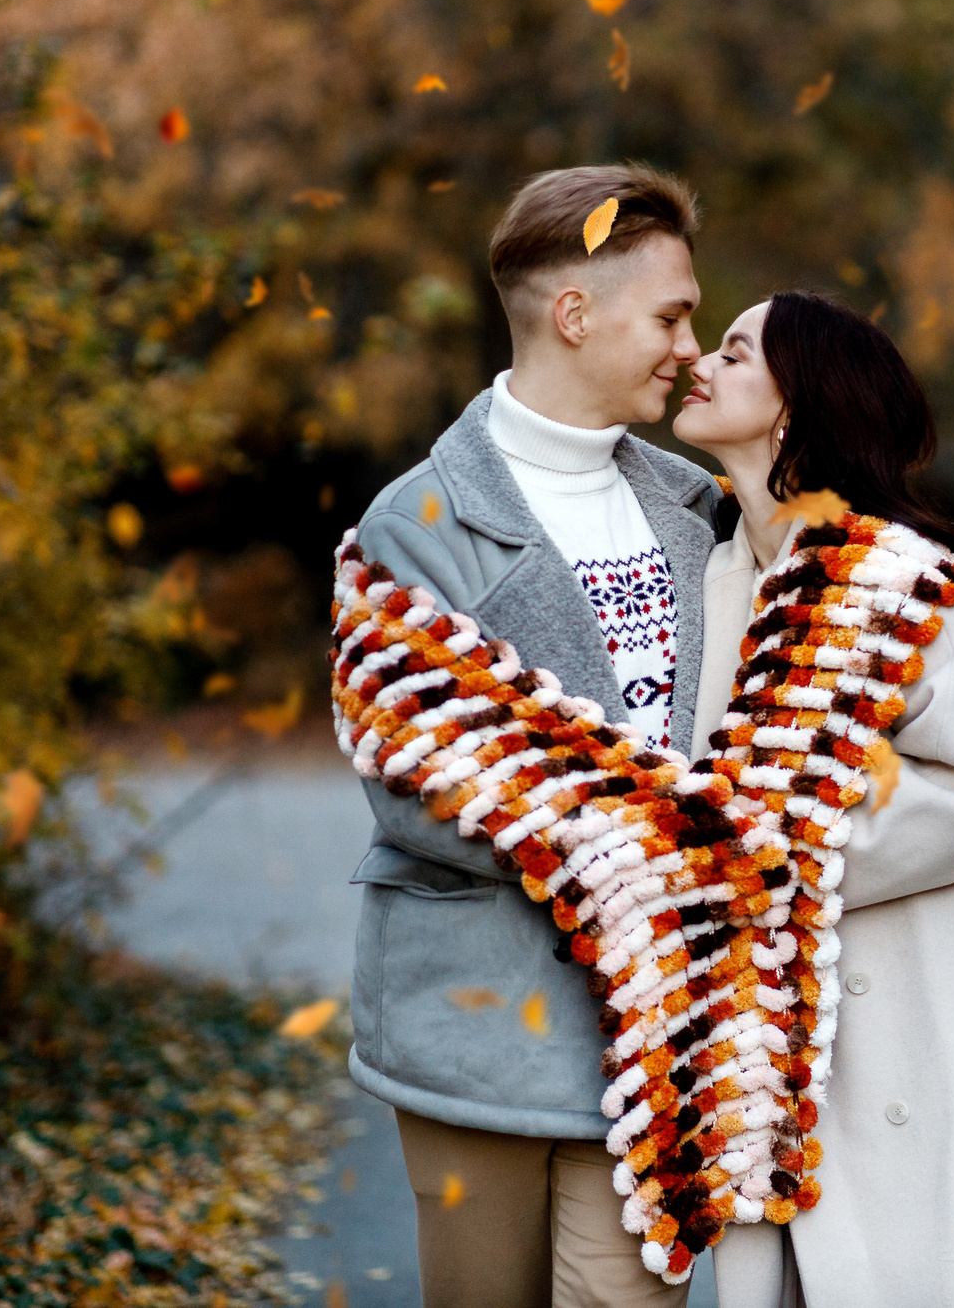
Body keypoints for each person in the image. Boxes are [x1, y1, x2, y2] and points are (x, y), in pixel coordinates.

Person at [347, 163, 719, 1308]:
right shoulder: (414, 523)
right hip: (476, 1028)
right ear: (574, 315)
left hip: (656, 1038)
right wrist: (662, 841)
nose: (692, 347)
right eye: (670, 315)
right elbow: (423, 778)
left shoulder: (699, 511)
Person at [672, 291, 954, 1308]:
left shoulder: (890, 572)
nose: (698, 365)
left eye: (731, 352)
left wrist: (766, 865)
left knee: (924, 1261)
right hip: (784, 1009)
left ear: (793, 410)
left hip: (920, 983)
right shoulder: (716, 575)